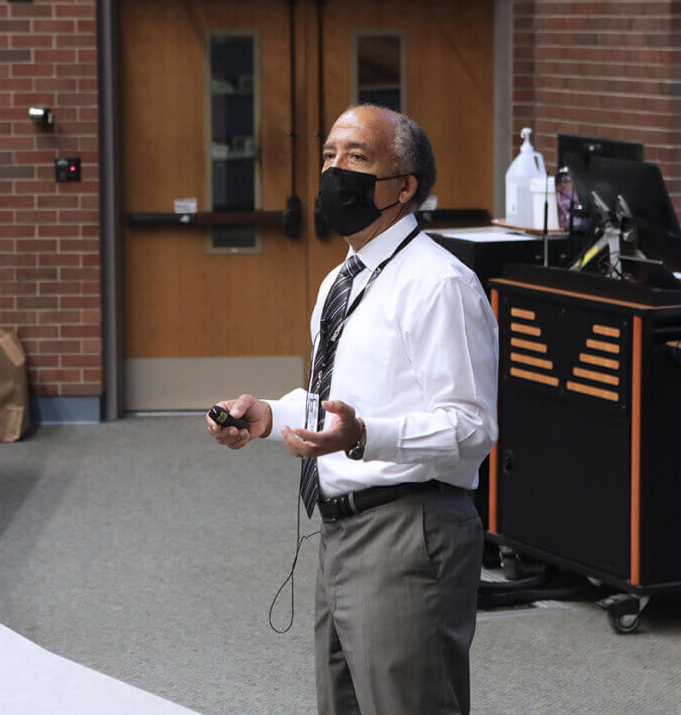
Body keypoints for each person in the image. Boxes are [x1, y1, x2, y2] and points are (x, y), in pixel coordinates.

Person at [206, 105, 498, 715]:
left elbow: (472, 427)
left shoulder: (440, 284)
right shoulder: (344, 278)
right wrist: (269, 414)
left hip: (409, 530)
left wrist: (366, 435)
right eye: (329, 157)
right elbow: (335, 404)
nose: (335, 171)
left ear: (404, 186)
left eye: (357, 159)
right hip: (339, 531)